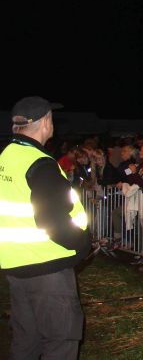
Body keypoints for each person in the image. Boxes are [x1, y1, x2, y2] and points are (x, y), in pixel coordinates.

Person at [0, 97, 89, 359]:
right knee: (60, 341)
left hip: (16, 266)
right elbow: (51, 218)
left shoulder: (6, 157)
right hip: (48, 267)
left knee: (26, 342)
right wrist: (81, 245)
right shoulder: (40, 163)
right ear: (46, 122)